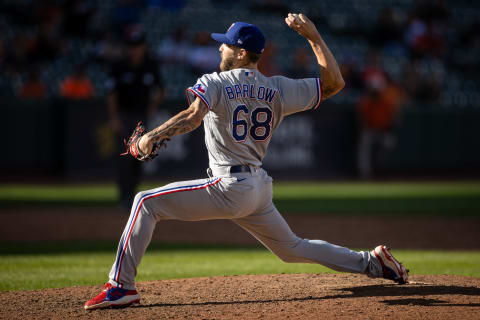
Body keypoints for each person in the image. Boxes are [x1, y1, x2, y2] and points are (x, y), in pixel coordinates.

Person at [85, 13, 409, 310]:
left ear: (240, 52)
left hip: (228, 185)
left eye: (224, 45)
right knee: (292, 248)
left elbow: (193, 116)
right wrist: (314, 38)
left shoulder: (215, 81)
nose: (219, 50)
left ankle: (120, 286)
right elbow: (334, 84)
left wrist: (151, 137)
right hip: (257, 189)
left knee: (144, 202)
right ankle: (372, 262)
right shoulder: (278, 87)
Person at [106, 25, 164, 210]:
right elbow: (111, 94)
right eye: (131, 45)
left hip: (141, 118)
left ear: (143, 46)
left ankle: (133, 195)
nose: (134, 49)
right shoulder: (119, 65)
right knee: (124, 158)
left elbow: (161, 89)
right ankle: (124, 197)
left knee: (139, 158)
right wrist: (114, 118)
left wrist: (153, 107)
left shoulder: (150, 64)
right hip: (124, 116)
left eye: (137, 45)